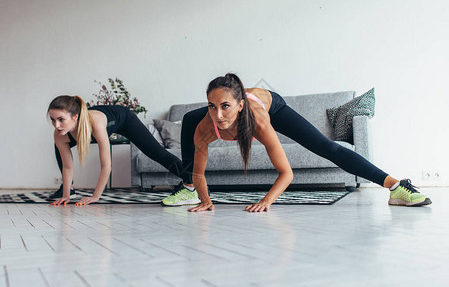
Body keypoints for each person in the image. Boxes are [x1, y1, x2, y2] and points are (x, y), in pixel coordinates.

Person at [161, 73, 432, 212]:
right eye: (211, 106)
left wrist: (266, 201)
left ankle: (395, 186)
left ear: (240, 104)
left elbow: (286, 172)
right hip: (242, 110)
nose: (217, 115)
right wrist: (205, 198)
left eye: (225, 107)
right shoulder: (205, 128)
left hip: (272, 106)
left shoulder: (259, 120)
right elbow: (199, 169)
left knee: (325, 147)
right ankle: (189, 190)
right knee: (188, 118)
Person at [47, 95, 186, 205]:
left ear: (74, 117)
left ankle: (190, 181)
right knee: (57, 147)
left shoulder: (94, 124)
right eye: (53, 120)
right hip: (94, 126)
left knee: (156, 153)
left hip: (124, 119)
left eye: (61, 119)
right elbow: (67, 167)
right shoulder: (59, 135)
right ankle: (69, 189)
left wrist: (95, 196)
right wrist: (66, 196)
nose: (56, 125)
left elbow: (106, 165)